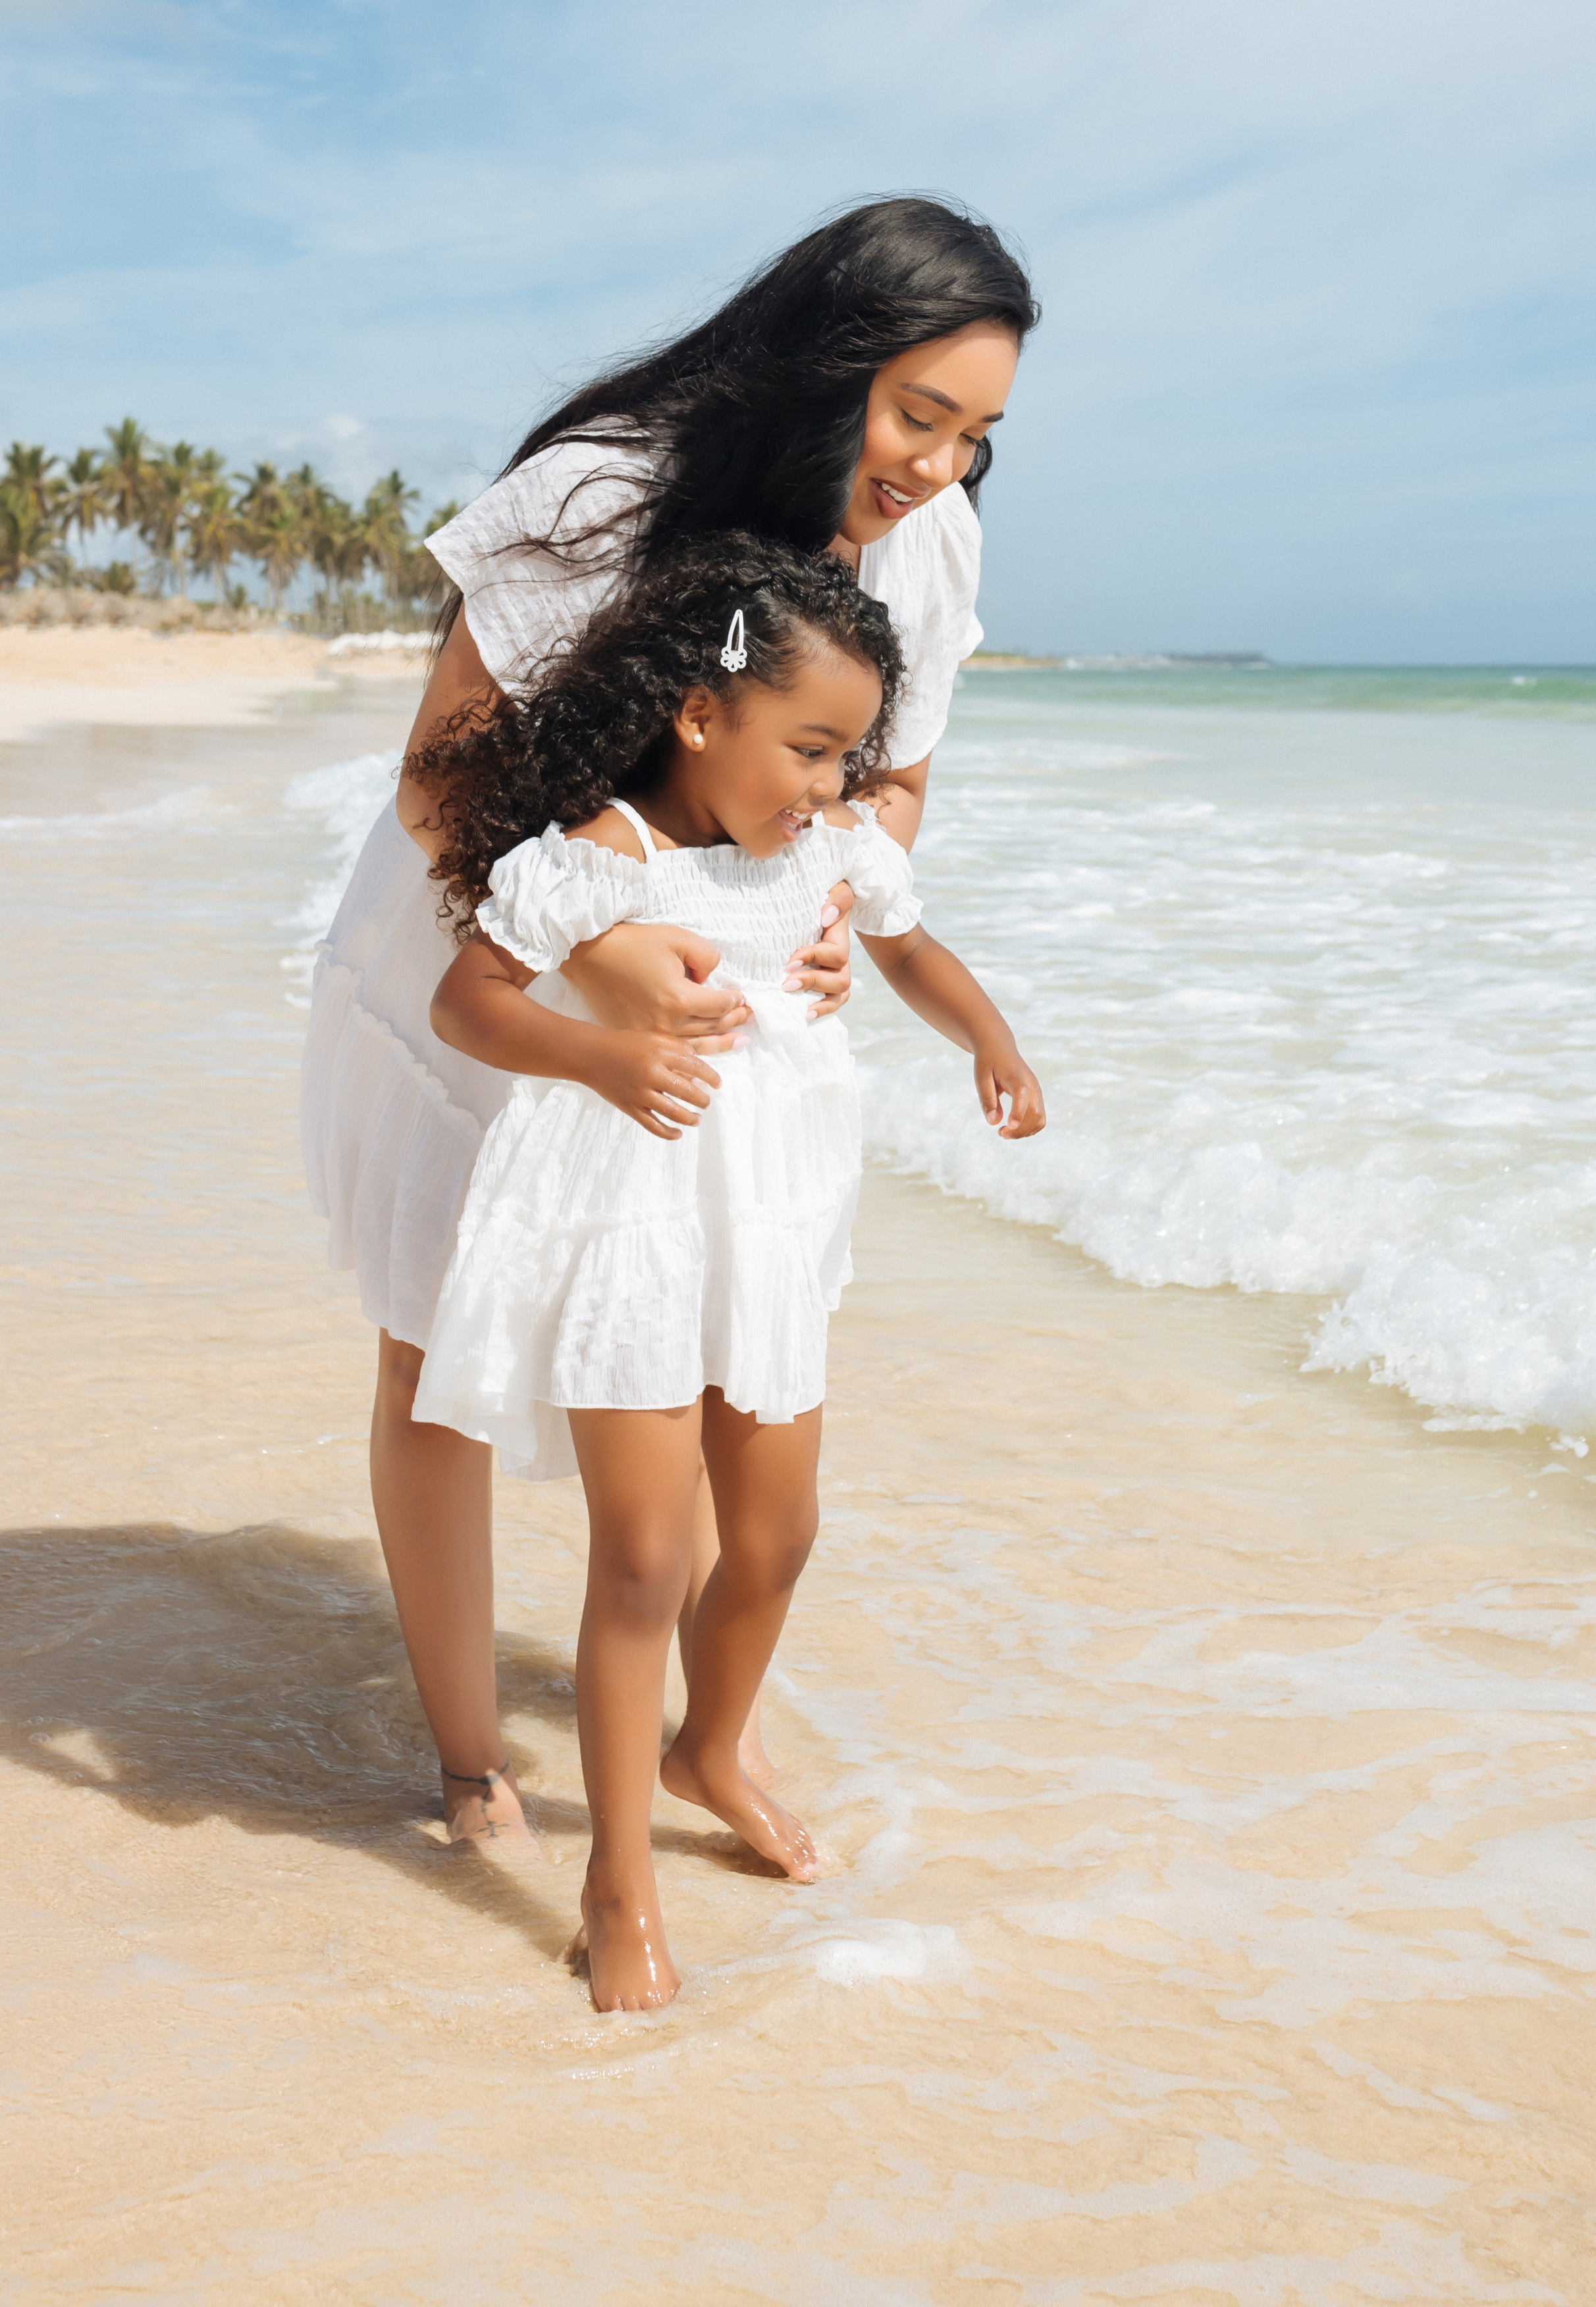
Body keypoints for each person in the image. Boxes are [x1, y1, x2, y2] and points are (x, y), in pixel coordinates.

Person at [301, 196, 1038, 1849]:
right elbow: (440, 772)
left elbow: (895, 771)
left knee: (705, 1344)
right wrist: (613, 942)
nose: (936, 466)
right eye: (917, 413)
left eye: (976, 436)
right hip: (491, 916)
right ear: (823, 365)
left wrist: (840, 900)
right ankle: (469, 1759)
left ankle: (706, 1745)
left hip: (717, 990)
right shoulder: (604, 487)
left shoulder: (926, 535)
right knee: (441, 1344)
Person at [403, 535, 1045, 2007]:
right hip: (635, 1210)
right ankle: (614, 1884)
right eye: (808, 748)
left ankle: (712, 1742)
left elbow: (911, 949)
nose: (828, 786)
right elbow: (468, 1000)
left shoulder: (827, 855)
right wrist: (601, 1056)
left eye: (847, 757)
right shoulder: (598, 861)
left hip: (771, 1226)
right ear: (701, 716)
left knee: (774, 1535)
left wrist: (990, 1041)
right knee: (642, 1558)